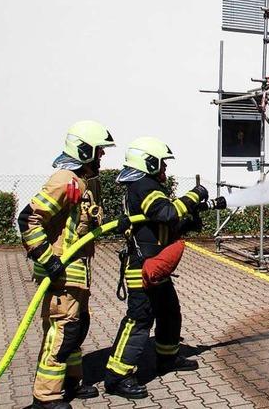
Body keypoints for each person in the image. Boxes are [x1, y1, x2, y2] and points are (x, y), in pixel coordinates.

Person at [104, 137, 226, 400]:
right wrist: (195, 195)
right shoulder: (144, 186)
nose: (165, 169)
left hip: (156, 265)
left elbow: (162, 223)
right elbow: (167, 213)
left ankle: (168, 358)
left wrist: (189, 219)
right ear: (149, 163)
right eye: (161, 164)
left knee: (170, 312)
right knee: (140, 319)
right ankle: (117, 376)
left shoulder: (143, 186)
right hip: (143, 267)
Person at [18, 120, 115, 409]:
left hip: (76, 271)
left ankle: (71, 381)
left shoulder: (85, 182)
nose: (102, 157)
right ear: (85, 150)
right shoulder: (65, 181)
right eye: (99, 152)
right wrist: (49, 261)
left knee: (76, 326)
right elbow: (29, 220)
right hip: (60, 273)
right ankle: (45, 398)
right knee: (62, 332)